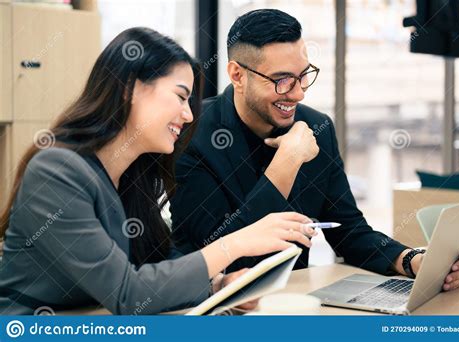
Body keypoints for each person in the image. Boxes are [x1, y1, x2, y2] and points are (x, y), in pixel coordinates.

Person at [0, 27, 316, 315]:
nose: (189, 114)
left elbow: (156, 263)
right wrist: (238, 242)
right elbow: (129, 293)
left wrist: (217, 285)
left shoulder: (132, 174)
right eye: (180, 96)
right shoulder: (56, 172)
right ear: (129, 89)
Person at [170, 10, 459, 289]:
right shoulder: (190, 134)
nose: (298, 92)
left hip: (296, 300)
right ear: (237, 75)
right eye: (282, 80)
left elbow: (350, 232)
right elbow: (226, 258)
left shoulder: (316, 127)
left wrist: (412, 261)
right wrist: (287, 162)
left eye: (303, 75)